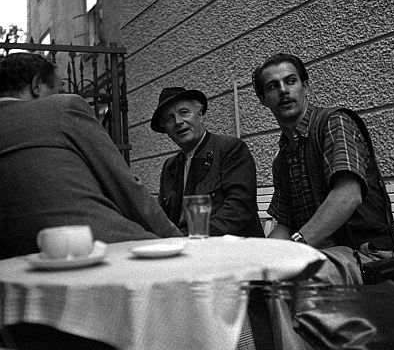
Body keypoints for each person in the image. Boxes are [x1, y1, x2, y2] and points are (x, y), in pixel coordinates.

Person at [253, 53, 394, 349]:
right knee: (261, 281)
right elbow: (283, 223)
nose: (283, 90)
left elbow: (348, 195)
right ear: (263, 100)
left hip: (367, 255)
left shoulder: (334, 122)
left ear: (305, 86)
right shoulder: (283, 158)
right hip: (323, 254)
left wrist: (296, 245)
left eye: (291, 81)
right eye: (273, 86)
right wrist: (260, 257)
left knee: (296, 278)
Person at [0, 52, 182, 260]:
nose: (61, 94)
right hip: (99, 245)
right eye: (58, 90)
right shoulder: (62, 107)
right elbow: (123, 184)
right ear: (36, 85)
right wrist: (177, 240)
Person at [151, 87, 270, 349]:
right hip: (189, 269)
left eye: (184, 112)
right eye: (170, 119)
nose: (178, 122)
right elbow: (166, 219)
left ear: (199, 113)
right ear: (165, 129)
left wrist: (191, 240)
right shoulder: (170, 167)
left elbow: (238, 209)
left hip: (233, 266)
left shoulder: (230, 149)